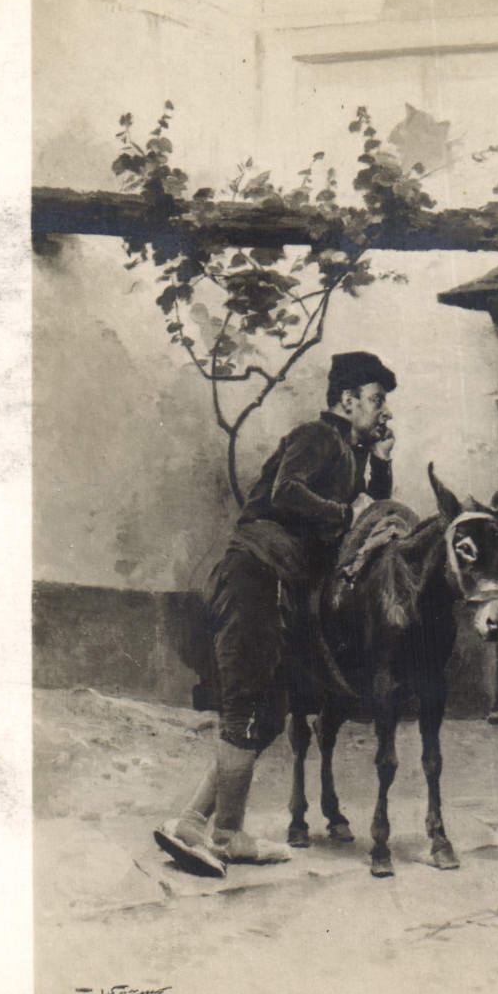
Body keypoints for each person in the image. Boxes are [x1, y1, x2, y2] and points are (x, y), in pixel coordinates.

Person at [154, 351, 397, 877]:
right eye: (376, 400)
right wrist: (342, 511)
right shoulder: (317, 436)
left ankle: (198, 823)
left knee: (268, 713)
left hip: (281, 588)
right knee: (244, 706)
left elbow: (370, 509)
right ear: (348, 399)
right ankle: (224, 835)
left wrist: (381, 461)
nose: (384, 411)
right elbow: (287, 491)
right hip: (254, 575)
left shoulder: (348, 453)